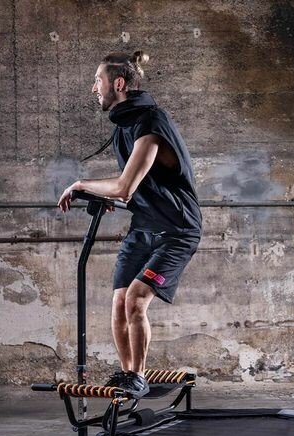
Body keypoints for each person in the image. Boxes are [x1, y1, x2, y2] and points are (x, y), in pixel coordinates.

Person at [58, 51, 202, 398]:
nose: (94, 88)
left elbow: (125, 185)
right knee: (120, 302)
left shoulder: (151, 123)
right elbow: (137, 186)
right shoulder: (124, 127)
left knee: (136, 300)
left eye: (98, 81)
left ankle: (137, 376)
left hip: (177, 230)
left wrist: (82, 185)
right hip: (144, 226)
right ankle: (129, 376)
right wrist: (106, 194)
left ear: (118, 83)